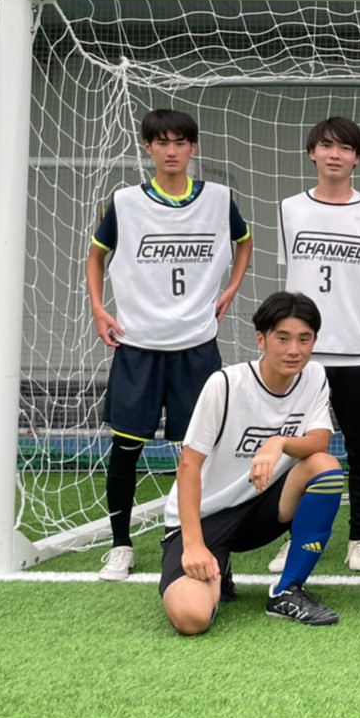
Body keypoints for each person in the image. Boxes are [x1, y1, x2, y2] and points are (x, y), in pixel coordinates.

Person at [85, 107, 253, 582]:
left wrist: (231, 288)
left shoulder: (219, 199)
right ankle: (120, 545)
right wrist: (98, 307)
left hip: (196, 346)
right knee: (126, 448)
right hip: (138, 344)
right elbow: (96, 256)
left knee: (198, 452)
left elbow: (245, 242)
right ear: (149, 148)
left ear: (193, 147)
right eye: (162, 143)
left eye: (180, 142)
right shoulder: (124, 203)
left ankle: (194, 538)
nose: (172, 151)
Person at [160, 292, 345, 634]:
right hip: (207, 516)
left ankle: (287, 590)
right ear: (261, 339)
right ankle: (217, 566)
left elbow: (319, 441)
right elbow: (188, 466)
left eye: (304, 339)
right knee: (191, 618)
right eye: (282, 338)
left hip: (261, 508)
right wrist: (194, 545)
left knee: (325, 466)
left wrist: (278, 443)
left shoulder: (314, 376)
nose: (294, 350)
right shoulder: (225, 384)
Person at [270, 116, 360, 576]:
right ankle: (290, 539)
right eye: (326, 146)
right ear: (312, 153)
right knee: (295, 448)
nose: (335, 154)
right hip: (301, 355)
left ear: (357, 157)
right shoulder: (289, 209)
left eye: (345, 147)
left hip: (358, 351)